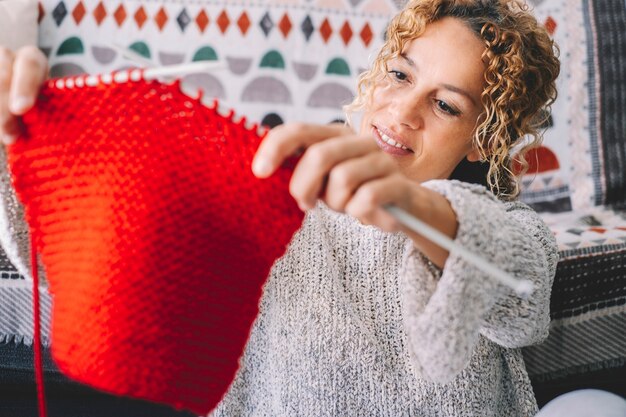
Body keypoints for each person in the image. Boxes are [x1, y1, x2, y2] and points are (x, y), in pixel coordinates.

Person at [0, 0, 564, 416]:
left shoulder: (503, 227)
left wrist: (415, 207)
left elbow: (522, 290)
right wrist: (16, 140)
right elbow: (92, 257)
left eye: (444, 104)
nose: (403, 110)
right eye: (399, 75)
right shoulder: (265, 192)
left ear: (482, 141)